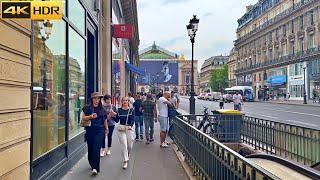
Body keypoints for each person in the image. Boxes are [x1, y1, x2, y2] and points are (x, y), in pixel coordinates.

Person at [81, 92, 107, 176]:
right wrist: (90, 117)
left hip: (99, 131)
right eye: (95, 98)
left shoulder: (102, 109)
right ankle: (92, 164)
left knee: (96, 148)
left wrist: (106, 129)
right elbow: (83, 118)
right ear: (92, 99)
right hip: (90, 130)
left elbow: (105, 120)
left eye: (98, 98)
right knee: (91, 149)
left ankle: (95, 168)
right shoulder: (87, 108)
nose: (97, 100)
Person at [115, 97, 135, 169]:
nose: (125, 102)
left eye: (126, 100)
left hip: (129, 128)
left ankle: (128, 154)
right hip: (121, 129)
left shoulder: (131, 110)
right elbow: (117, 120)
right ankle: (125, 161)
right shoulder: (119, 110)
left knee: (129, 146)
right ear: (121, 102)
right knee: (124, 144)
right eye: (123, 100)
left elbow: (133, 119)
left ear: (128, 102)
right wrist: (113, 115)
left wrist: (130, 126)